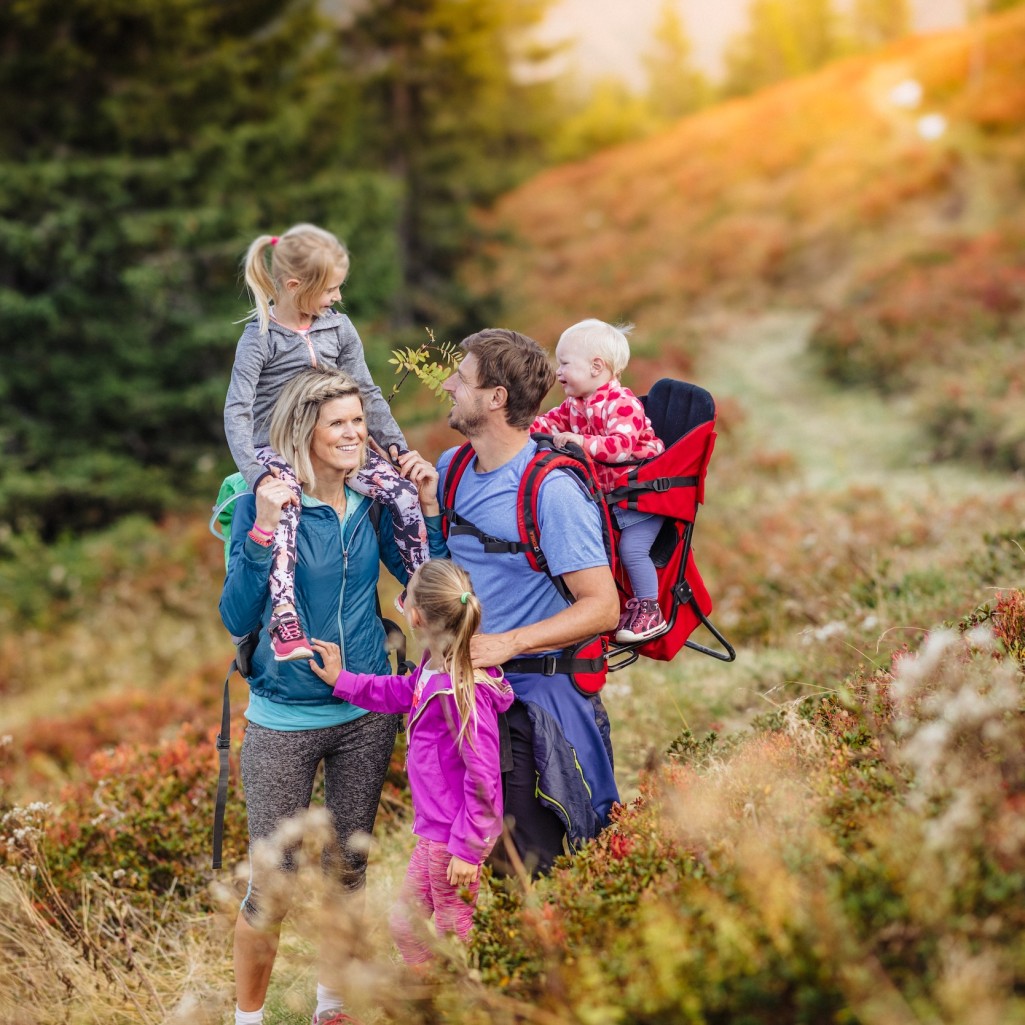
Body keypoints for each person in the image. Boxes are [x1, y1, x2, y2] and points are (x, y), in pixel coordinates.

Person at [219, 368, 445, 1025]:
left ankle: (332, 1008)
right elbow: (235, 614)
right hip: (283, 715)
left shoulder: (378, 498)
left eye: (358, 421)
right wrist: (261, 528)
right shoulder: (259, 502)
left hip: (362, 710)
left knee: (349, 871)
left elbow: (428, 581)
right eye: (339, 424)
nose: (355, 434)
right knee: (274, 885)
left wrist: (425, 506)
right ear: (304, 433)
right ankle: (249, 1019)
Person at [437, 328, 622, 876]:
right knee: (486, 868)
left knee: (540, 871)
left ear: (495, 398)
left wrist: (507, 643)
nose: (449, 385)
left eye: (462, 378)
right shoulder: (450, 470)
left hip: (539, 706)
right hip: (471, 703)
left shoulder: (551, 490)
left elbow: (602, 607)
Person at [224, 222, 428, 663]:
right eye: (330, 289)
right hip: (276, 449)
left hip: (337, 440)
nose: (337, 297)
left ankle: (422, 590)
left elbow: (368, 393)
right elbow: (237, 411)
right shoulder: (259, 337)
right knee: (287, 512)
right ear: (296, 286)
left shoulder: (338, 328)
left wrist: (397, 449)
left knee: (403, 494)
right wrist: (256, 475)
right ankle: (284, 618)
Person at [309, 559, 514, 966]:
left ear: (415, 615)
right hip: (435, 833)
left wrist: (468, 850)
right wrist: (343, 681)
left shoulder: (459, 691)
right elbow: (401, 691)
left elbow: (484, 776)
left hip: (454, 837)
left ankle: (457, 1005)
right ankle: (429, 1001)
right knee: (407, 926)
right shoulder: (432, 669)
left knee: (452, 935)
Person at [532, 319, 667, 644]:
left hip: (642, 499)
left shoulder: (622, 403)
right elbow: (549, 422)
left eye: (564, 364)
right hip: (610, 498)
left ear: (596, 367)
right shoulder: (576, 404)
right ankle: (592, 611)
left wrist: (578, 441)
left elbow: (621, 447)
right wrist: (521, 424)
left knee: (632, 549)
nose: (558, 372)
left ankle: (651, 608)